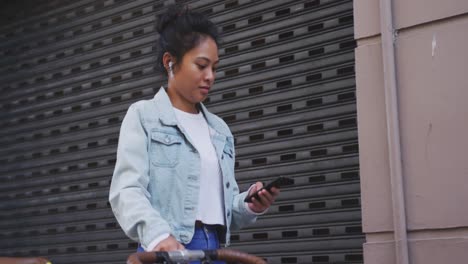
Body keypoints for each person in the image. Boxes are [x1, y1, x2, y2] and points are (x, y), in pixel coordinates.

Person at [108, 4, 280, 262]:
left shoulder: (219, 130)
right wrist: (159, 237)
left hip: (216, 251)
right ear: (170, 62)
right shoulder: (144, 116)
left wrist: (248, 205)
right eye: (201, 65)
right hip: (168, 250)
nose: (210, 76)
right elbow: (126, 191)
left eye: (214, 67)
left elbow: (224, 208)